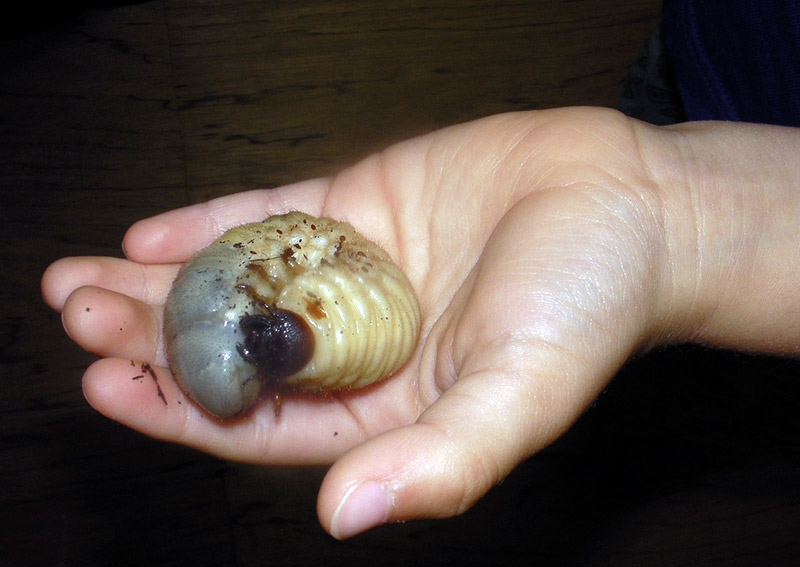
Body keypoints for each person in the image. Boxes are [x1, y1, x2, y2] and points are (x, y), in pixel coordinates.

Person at [41, 107, 800, 538]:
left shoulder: (300, 267)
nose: (275, 345)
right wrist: (667, 212)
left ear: (257, 290)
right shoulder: (294, 274)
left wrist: (671, 216)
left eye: (267, 341)